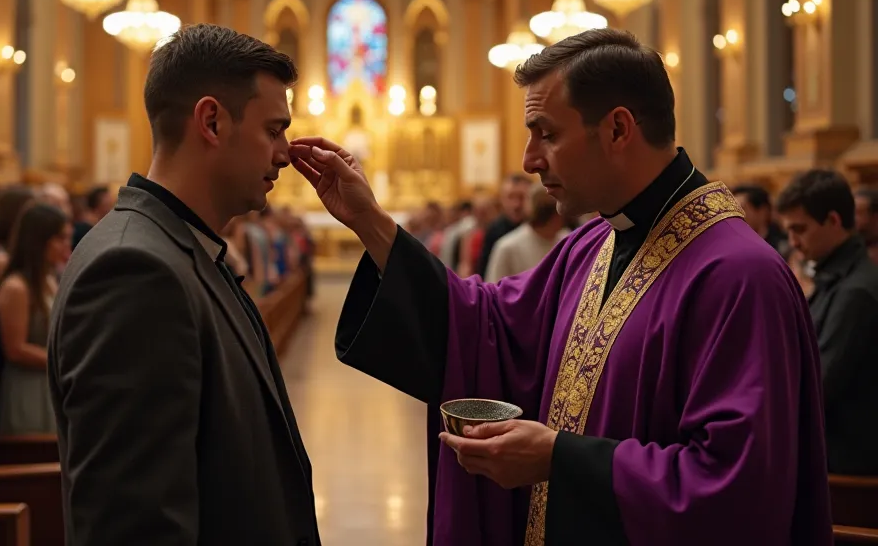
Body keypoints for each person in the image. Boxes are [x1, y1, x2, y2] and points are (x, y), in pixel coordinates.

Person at [289, 28, 831, 545]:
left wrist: (559, 459)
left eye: (546, 133)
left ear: (619, 129)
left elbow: (739, 490)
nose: (528, 160)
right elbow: (485, 327)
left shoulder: (740, 277)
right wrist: (373, 224)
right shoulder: (592, 244)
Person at [47, 24, 319, 546]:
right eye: (273, 130)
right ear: (212, 121)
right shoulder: (135, 272)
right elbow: (134, 526)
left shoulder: (181, 246)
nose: (285, 153)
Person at [776, 170, 878, 475]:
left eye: (800, 229)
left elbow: (817, 387)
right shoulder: (837, 278)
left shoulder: (856, 291)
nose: (793, 242)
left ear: (833, 220)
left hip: (844, 464)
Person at [0, 203, 72, 434]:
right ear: (39, 239)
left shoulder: (49, 278)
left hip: (49, 382)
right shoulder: (16, 287)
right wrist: (64, 362)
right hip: (27, 386)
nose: (67, 245)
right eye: (60, 238)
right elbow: (15, 349)